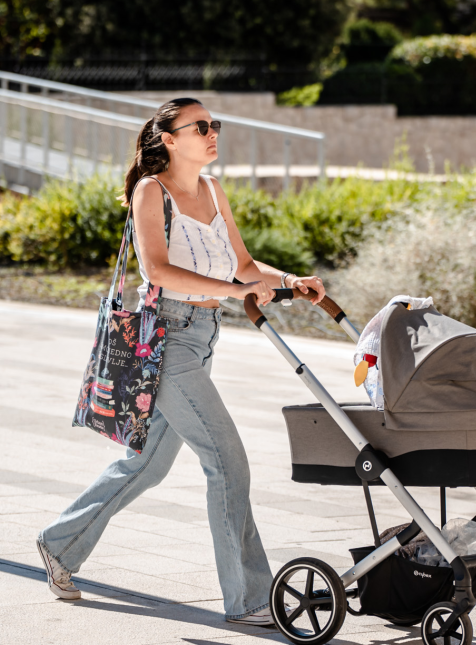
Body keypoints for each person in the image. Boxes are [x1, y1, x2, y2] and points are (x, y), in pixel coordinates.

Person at [36, 98, 326, 625]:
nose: (212, 133)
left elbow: (242, 264)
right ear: (169, 138)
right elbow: (159, 270)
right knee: (228, 461)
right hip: (166, 339)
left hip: (203, 336)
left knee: (147, 463)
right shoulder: (152, 190)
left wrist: (289, 282)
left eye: (214, 125)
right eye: (200, 127)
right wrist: (233, 290)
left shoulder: (213, 190)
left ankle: (59, 543)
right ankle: (250, 599)